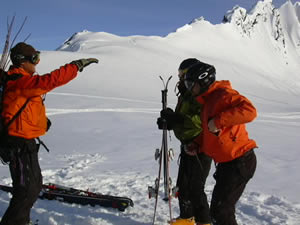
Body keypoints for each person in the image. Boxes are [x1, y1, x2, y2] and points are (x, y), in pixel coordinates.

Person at [0, 42, 98, 225]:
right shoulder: (19, 82)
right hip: (17, 143)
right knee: (25, 190)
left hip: (27, 143)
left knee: (34, 186)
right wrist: (75, 66)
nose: (37, 64)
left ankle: (22, 220)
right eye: (34, 59)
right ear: (22, 62)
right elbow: (49, 81)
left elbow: (23, 107)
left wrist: (41, 122)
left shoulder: (20, 82)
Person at [183, 61, 257, 225]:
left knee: (221, 211)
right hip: (228, 163)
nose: (189, 89)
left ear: (203, 81)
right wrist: (196, 144)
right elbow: (209, 132)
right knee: (219, 210)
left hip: (240, 160)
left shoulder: (223, 94)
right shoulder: (207, 101)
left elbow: (250, 111)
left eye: (191, 84)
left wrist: (219, 121)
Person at [158, 58, 212, 225]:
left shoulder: (199, 93)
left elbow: (198, 121)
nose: (180, 78)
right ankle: (187, 218)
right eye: (179, 75)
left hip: (200, 146)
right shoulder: (186, 92)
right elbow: (184, 117)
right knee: (183, 185)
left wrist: (177, 119)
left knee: (196, 188)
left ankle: (204, 222)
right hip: (187, 144)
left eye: (182, 74)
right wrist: (170, 119)